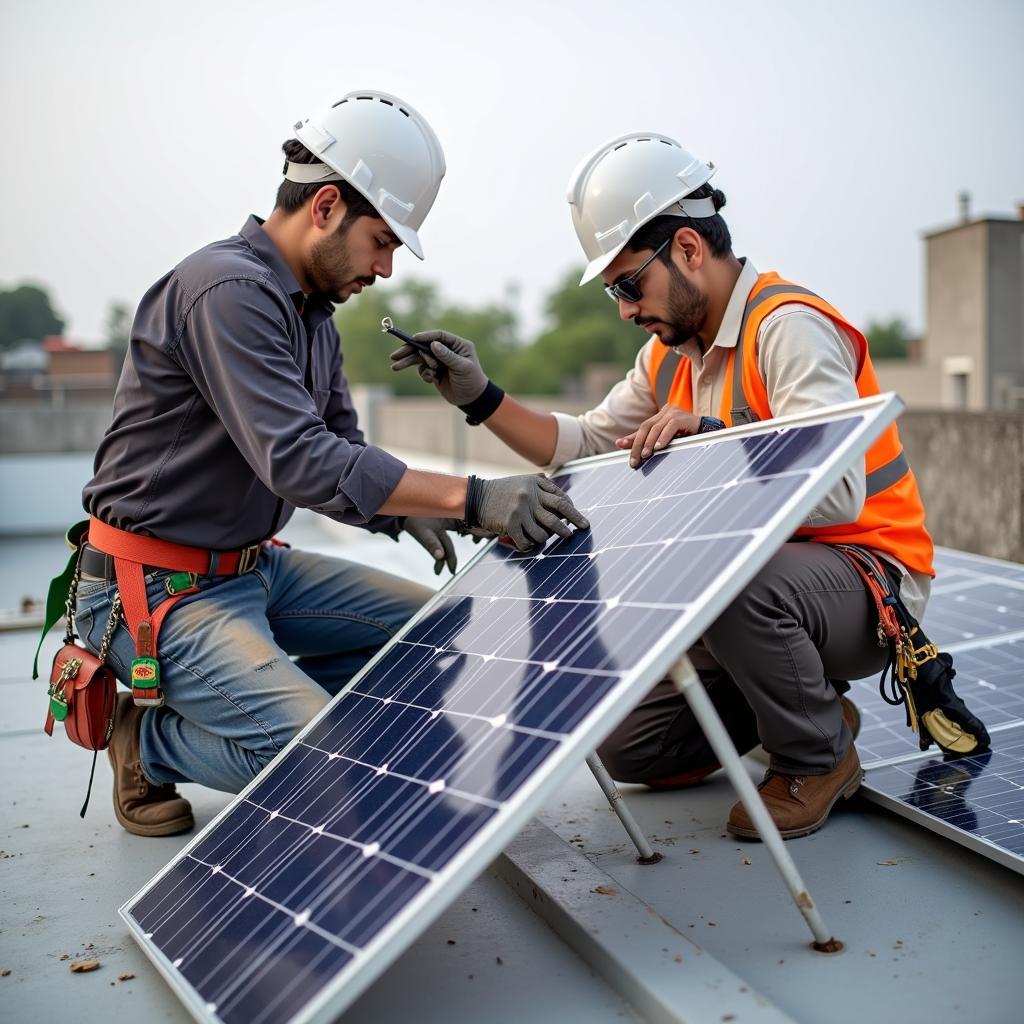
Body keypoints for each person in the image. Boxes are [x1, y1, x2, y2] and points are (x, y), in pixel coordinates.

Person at [72, 90, 589, 838]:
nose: (384, 268)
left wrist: (402, 505)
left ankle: (263, 699)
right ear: (323, 208)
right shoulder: (226, 292)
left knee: (438, 639)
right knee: (324, 756)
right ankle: (148, 742)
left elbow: (339, 441)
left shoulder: (311, 317)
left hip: (249, 570)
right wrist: (473, 499)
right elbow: (302, 461)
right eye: (381, 241)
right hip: (158, 588)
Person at [390, 132, 935, 840]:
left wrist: (710, 441)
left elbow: (839, 497)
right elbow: (584, 444)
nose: (623, 308)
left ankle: (816, 755)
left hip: (868, 583)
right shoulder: (668, 355)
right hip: (767, 589)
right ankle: (812, 705)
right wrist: (481, 397)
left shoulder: (788, 328)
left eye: (626, 284)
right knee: (633, 748)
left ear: (686, 249)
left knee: (731, 574)